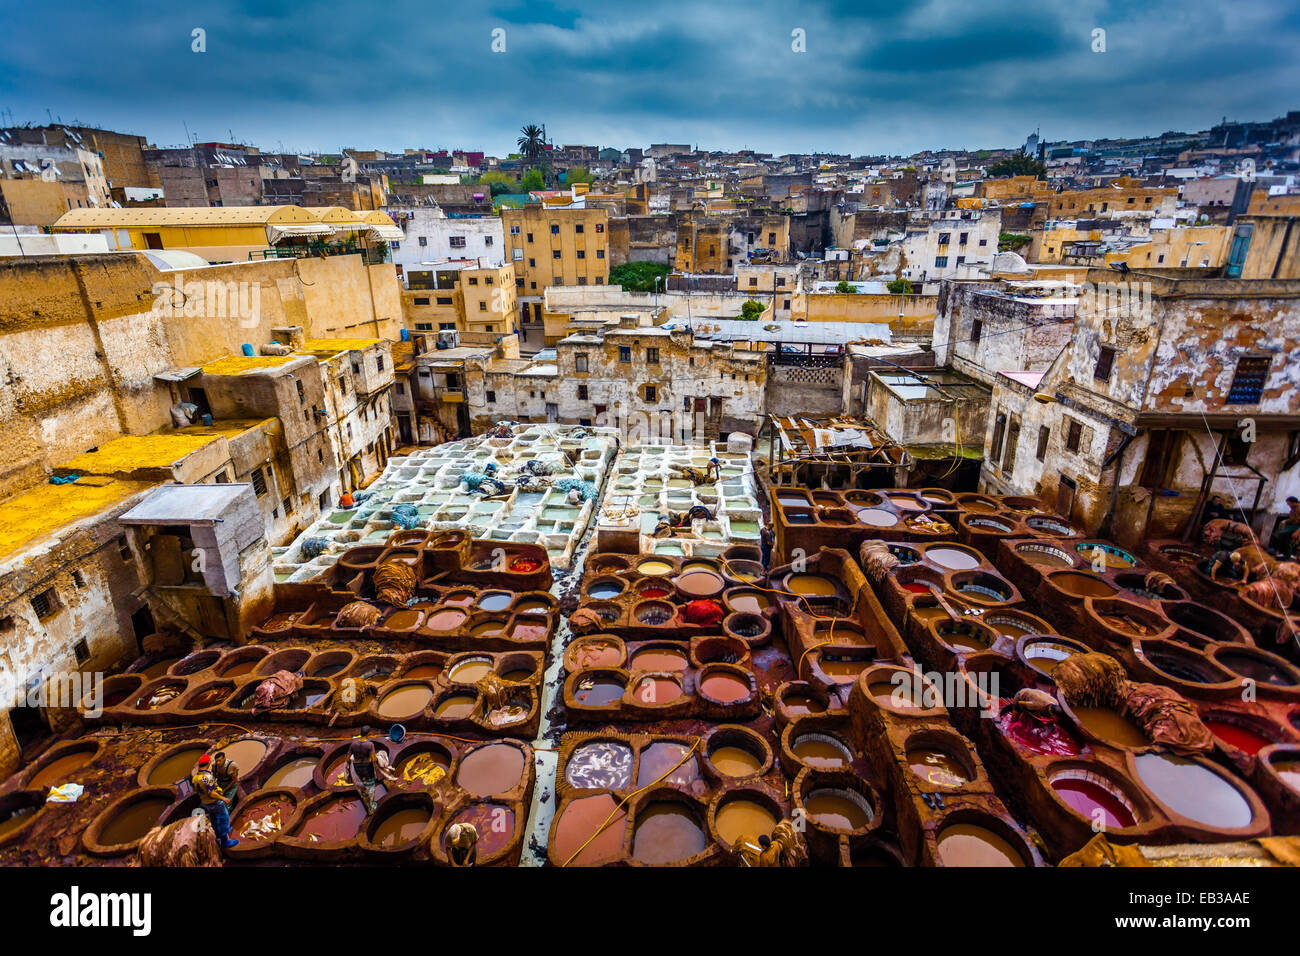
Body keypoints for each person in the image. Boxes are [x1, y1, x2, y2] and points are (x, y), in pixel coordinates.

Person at [191, 754, 238, 849]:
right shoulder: (207, 777)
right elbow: (211, 793)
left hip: (205, 802)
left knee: (213, 819)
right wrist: (222, 798)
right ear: (208, 762)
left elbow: (197, 791)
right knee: (223, 819)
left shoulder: (195, 778)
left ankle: (217, 835)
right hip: (215, 802)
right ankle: (225, 841)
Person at [345, 739, 397, 815]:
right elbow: (374, 758)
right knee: (371, 788)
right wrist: (378, 758)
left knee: (362, 789)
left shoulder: (353, 750)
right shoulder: (369, 747)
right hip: (367, 773)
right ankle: (371, 807)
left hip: (357, 774)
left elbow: (347, 759)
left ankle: (368, 804)